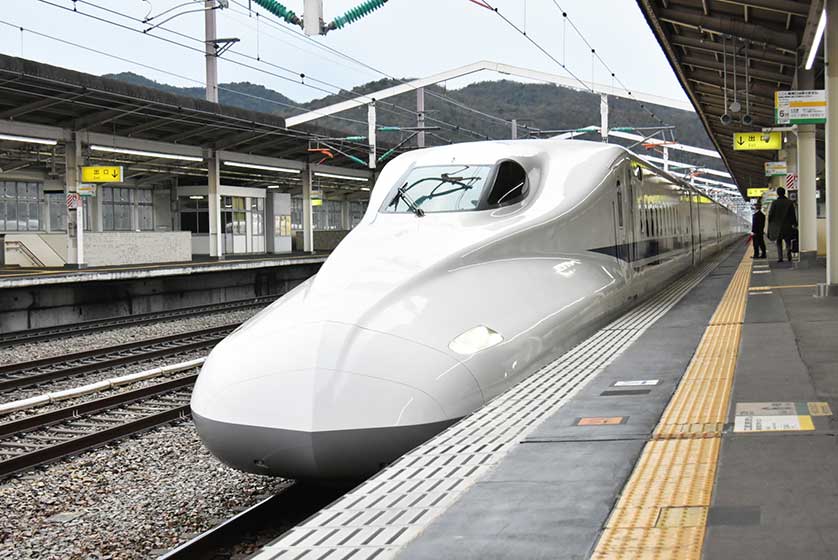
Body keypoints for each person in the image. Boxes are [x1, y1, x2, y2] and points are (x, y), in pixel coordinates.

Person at [767, 187, 797, 262]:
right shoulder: (789, 202)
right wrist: (795, 223)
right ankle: (788, 253)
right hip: (787, 226)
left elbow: (770, 214)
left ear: (777, 193)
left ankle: (780, 258)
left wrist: (770, 223)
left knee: (779, 242)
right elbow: (792, 214)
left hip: (777, 226)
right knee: (788, 241)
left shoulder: (774, 203)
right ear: (784, 193)